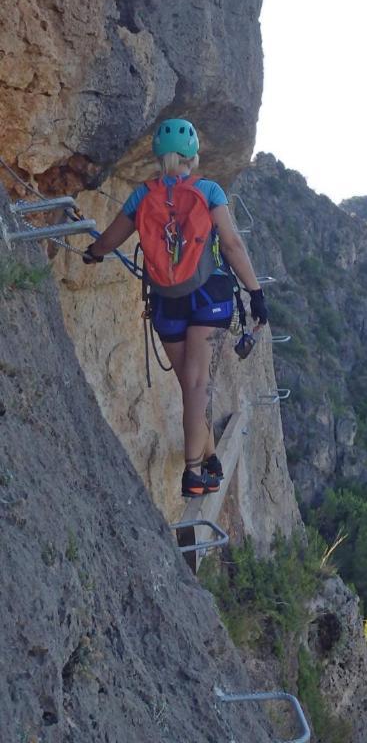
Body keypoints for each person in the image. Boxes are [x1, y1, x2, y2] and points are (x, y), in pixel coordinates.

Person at [82, 118, 267, 498]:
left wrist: (93, 253)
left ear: (160, 156)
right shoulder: (209, 191)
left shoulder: (141, 196)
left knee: (190, 385)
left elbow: (112, 238)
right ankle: (194, 472)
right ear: (191, 156)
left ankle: (209, 458)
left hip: (166, 300)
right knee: (198, 385)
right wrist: (256, 291)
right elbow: (231, 245)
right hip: (208, 296)